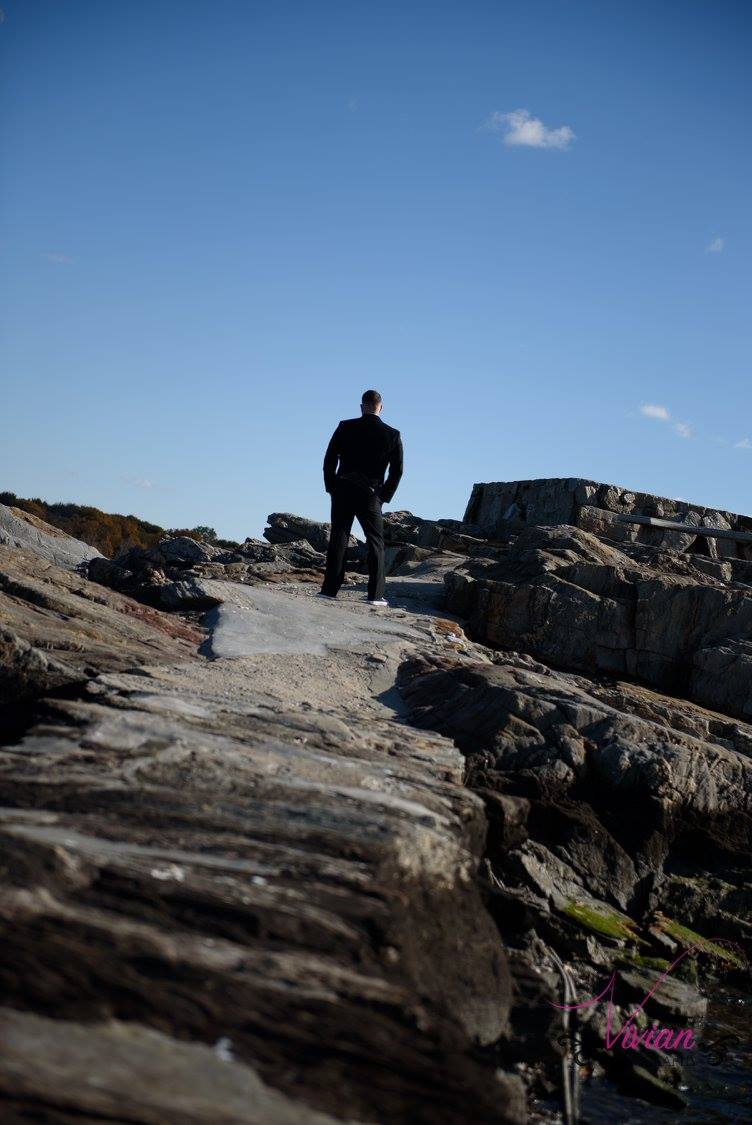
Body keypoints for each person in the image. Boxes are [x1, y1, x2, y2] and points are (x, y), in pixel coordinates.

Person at [320, 390, 403, 606]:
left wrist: (331, 487)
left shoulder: (345, 427)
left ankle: (329, 591)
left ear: (361, 406)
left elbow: (329, 459)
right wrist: (383, 497)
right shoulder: (393, 434)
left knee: (339, 536)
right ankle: (375, 596)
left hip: (343, 488)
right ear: (380, 407)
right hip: (371, 494)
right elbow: (397, 471)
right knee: (375, 542)